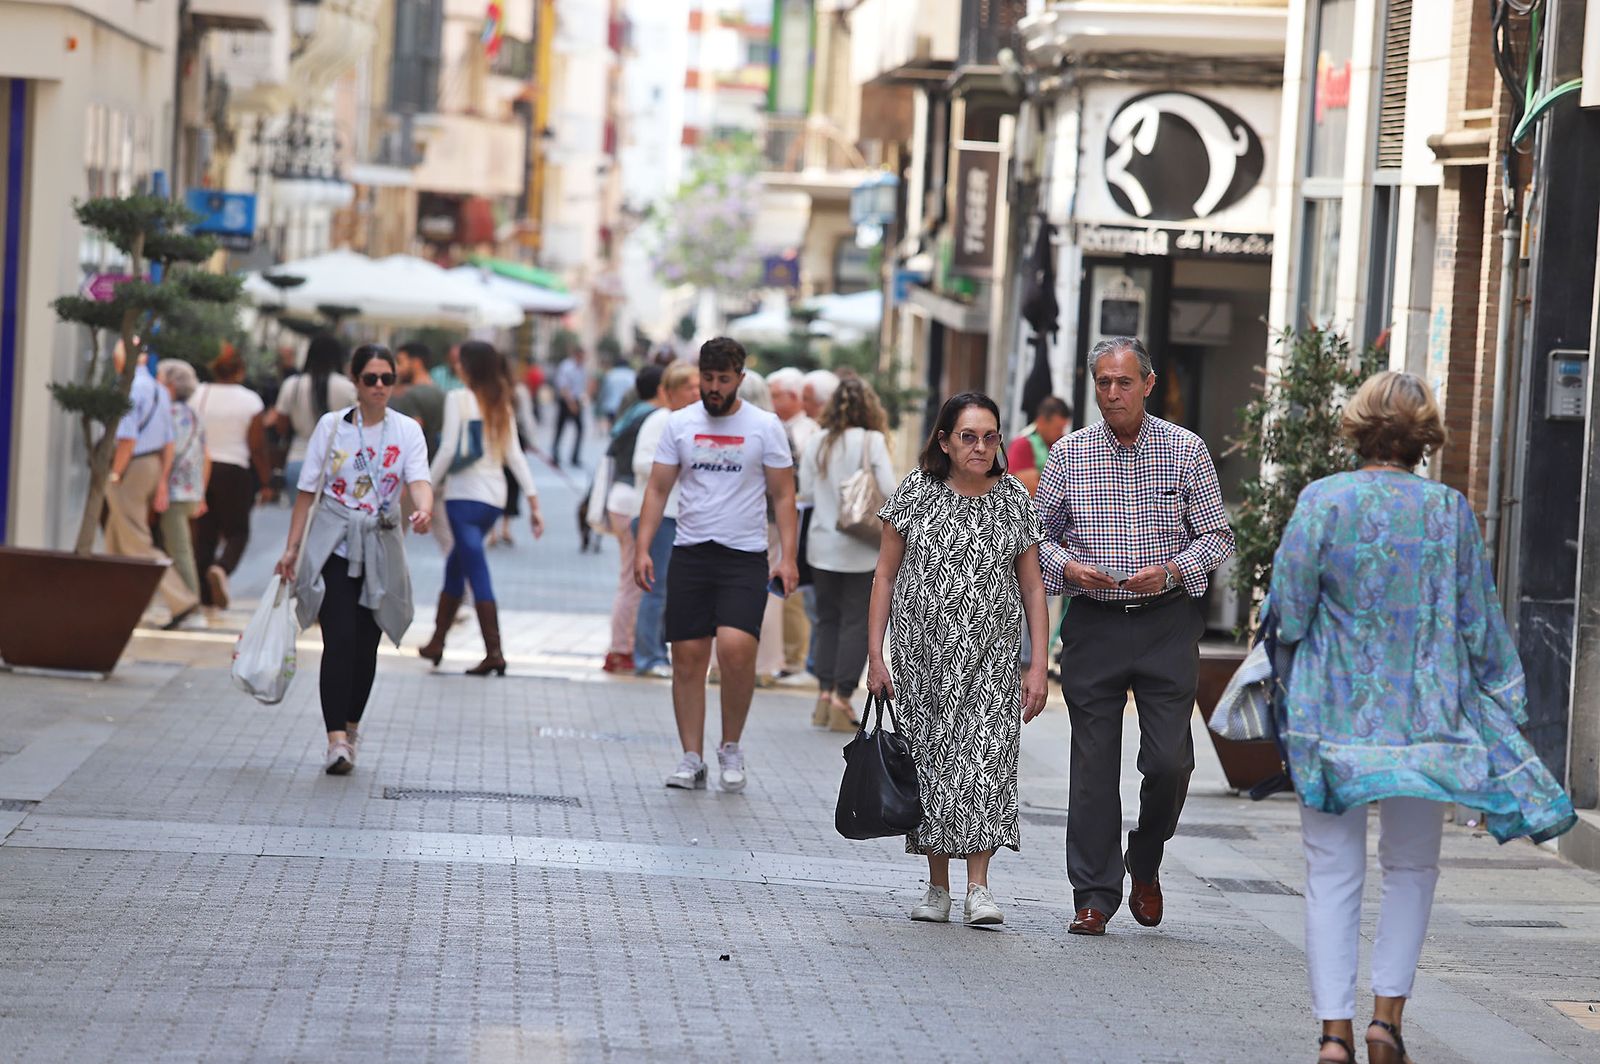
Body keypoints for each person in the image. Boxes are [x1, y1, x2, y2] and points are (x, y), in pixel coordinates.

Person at [1268, 371, 1575, 1064]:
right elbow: (1477, 621)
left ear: (1357, 425)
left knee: (1330, 869)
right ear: (1423, 435)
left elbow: (1289, 610)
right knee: (1411, 868)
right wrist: (1509, 702)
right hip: (1426, 718)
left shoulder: (1323, 501)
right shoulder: (1449, 511)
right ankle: (1387, 1023)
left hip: (1334, 715)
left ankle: (1332, 1033)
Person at [1034, 335, 1235, 937]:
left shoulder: (1186, 451)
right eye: (1102, 383)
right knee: (1093, 766)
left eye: (1123, 382)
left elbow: (1217, 538)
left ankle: (1145, 858)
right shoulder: (1068, 455)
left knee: (1169, 762)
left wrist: (1172, 571)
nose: (1112, 393)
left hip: (1167, 622)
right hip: (1094, 625)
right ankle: (1093, 894)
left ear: (1148, 384)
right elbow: (1034, 540)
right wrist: (1067, 568)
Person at [864, 392, 1049, 927]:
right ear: (943, 441)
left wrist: (1037, 665)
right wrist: (875, 657)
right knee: (931, 767)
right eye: (968, 436)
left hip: (992, 660)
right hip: (921, 659)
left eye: (990, 437)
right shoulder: (915, 495)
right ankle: (937, 885)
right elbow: (884, 575)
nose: (981, 446)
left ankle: (979, 886)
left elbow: (1033, 588)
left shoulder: (1014, 498)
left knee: (987, 764)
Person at [634, 338, 799, 793]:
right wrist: (642, 547)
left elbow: (784, 495)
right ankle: (691, 756)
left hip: (744, 555)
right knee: (686, 657)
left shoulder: (764, 426)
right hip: (691, 551)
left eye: (723, 380)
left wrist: (788, 557)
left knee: (735, 649)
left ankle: (731, 744)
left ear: (740, 379)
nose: (713, 387)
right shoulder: (679, 424)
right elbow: (657, 489)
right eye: (707, 378)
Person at [273, 344, 434, 775]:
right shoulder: (332, 427)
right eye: (371, 379)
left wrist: (423, 509)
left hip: (381, 545)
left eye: (387, 379)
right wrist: (292, 548)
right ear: (355, 381)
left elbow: (419, 479)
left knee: (367, 646)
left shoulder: (406, 431)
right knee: (339, 640)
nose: (379, 387)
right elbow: (308, 492)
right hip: (335, 543)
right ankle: (335, 741)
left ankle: (352, 727)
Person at [418, 341, 544, 676]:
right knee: (458, 565)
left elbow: (446, 450)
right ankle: (437, 642)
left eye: (460, 362)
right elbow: (515, 454)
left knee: (475, 569)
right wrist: (532, 501)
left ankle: (494, 651)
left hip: (462, 497)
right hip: (493, 500)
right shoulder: (502, 400)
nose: (456, 366)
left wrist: (425, 489)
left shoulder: (458, 399)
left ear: (469, 367)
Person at [799, 377, 896, 731]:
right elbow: (888, 488)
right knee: (856, 622)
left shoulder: (818, 442)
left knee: (826, 619)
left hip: (820, 544)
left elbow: (806, 489)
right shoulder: (871, 442)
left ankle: (823, 696)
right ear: (869, 407)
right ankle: (842, 699)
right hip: (860, 547)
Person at [104, 345, 200, 628]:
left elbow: (127, 438)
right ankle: (115, 604)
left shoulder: (132, 388)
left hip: (130, 466)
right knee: (116, 539)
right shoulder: (158, 388)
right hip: (150, 465)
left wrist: (114, 473)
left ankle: (182, 599)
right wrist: (160, 482)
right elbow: (168, 443)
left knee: (135, 541)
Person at [630, 360, 700, 679]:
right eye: (690, 387)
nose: (697, 392)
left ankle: (656, 652)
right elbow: (642, 462)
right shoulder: (661, 420)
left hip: (677, 514)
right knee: (654, 589)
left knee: (665, 589)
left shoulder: (686, 421)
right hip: (660, 515)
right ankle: (648, 656)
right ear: (669, 391)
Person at [191, 348, 267, 609]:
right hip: (235, 470)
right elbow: (256, 445)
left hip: (202, 468)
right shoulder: (250, 401)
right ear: (240, 371)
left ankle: (204, 594)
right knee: (238, 531)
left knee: (205, 533)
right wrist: (266, 481)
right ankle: (222, 569)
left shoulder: (198, 393)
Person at [601, 364, 665, 674]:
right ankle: (621, 649)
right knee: (633, 581)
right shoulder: (651, 417)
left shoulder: (633, 411)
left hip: (620, 498)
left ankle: (621, 647)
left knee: (629, 579)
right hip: (631, 499)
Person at [768, 366, 820, 678]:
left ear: (792, 397)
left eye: (776, 395)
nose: (771, 401)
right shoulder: (775, 426)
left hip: (802, 515)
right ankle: (783, 655)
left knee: (795, 592)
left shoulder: (809, 431)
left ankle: (794, 657)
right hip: (780, 516)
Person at [268, 334, 356, 493]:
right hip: (337, 461)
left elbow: (281, 425)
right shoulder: (347, 388)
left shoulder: (292, 385)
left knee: (301, 515)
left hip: (299, 457)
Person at [155, 359, 208, 602]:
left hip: (174, 491)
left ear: (171, 386)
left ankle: (189, 602)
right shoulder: (195, 414)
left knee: (179, 549)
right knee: (178, 547)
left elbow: (169, 452)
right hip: (190, 491)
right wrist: (202, 493)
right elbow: (206, 456)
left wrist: (161, 484)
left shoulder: (169, 413)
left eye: (161, 379)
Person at [1006, 395, 1073, 497]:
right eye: (1058, 428)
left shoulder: (1060, 443)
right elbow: (1031, 491)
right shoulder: (1022, 445)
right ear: (1041, 421)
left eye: (1063, 428)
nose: (1062, 433)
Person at [391, 341, 447, 461]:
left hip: (414, 461)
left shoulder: (409, 395)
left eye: (400, 362)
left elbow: (412, 433)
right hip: (434, 459)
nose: (397, 368)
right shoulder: (440, 391)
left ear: (416, 363)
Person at [552, 346, 589, 467]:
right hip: (566, 401)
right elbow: (563, 386)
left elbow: (581, 386)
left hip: (577, 400)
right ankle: (555, 454)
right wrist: (570, 403)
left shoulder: (582, 368)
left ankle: (575, 456)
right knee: (560, 428)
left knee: (580, 429)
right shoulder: (567, 367)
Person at [597, 356, 637, 430]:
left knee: (613, 426)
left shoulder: (610, 374)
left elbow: (605, 391)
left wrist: (601, 404)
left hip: (612, 406)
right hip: (628, 406)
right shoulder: (632, 374)